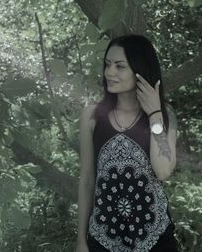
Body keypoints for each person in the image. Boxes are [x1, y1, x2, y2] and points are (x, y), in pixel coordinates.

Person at [76, 34, 178, 252]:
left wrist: (155, 114)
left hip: (155, 238)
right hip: (103, 238)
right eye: (108, 64)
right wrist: (81, 241)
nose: (109, 73)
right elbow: (86, 180)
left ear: (139, 70)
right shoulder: (91, 116)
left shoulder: (164, 114)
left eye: (120, 66)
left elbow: (162, 171)